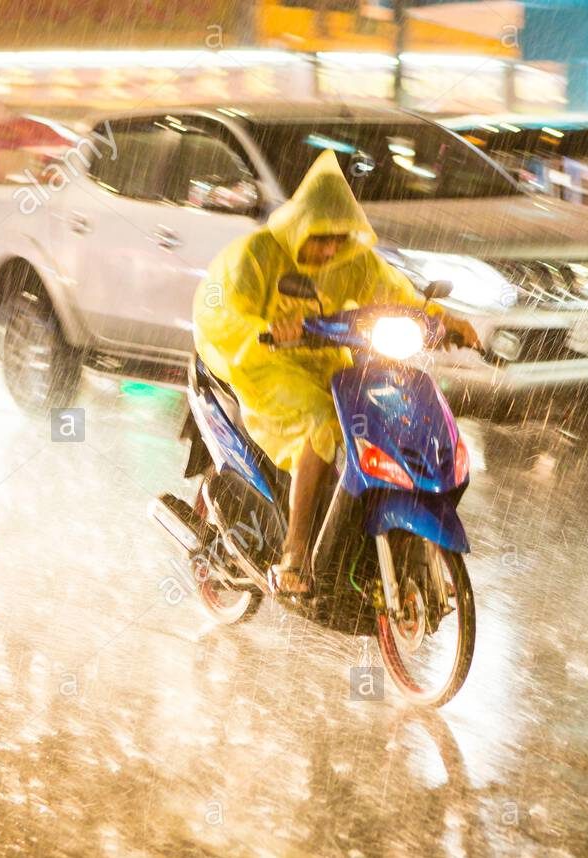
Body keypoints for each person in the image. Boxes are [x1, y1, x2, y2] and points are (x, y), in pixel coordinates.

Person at [192, 150, 479, 595]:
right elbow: (219, 309)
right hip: (263, 363)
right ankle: (296, 550)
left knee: (377, 418)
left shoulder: (350, 260)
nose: (328, 249)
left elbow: (393, 291)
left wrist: (442, 319)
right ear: (301, 225)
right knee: (323, 425)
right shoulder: (255, 254)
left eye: (338, 239)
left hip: (327, 360)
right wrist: (266, 329)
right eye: (320, 238)